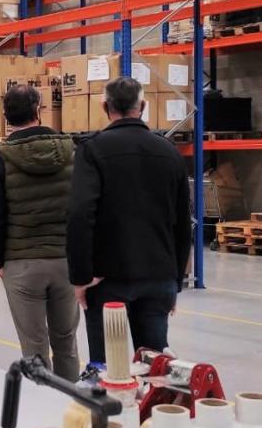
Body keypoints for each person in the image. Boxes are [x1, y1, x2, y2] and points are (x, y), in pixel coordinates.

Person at [67, 75, 191, 363]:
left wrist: (81, 276)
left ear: (105, 107)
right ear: (143, 107)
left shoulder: (92, 150)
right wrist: (175, 280)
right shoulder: (169, 152)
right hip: (159, 275)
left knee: (108, 368)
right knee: (154, 365)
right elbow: (183, 222)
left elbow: (80, 214)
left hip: (108, 279)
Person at [0, 85, 81, 379]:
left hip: (21, 262)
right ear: (39, 110)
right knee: (67, 342)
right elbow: (83, 206)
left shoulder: (0, 157)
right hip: (65, 259)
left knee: (33, 347)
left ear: (6, 117)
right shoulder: (70, 150)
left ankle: (41, 402)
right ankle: (68, 401)